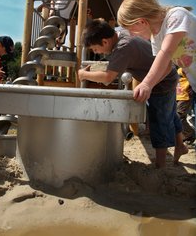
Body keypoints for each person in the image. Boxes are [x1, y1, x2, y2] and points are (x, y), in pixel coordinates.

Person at [78, 18, 188, 168]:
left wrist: (83, 75)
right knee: (170, 112)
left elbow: (108, 78)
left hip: (161, 82)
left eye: (95, 49)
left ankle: (161, 165)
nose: (96, 53)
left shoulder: (122, 48)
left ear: (105, 42)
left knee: (158, 119)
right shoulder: (121, 34)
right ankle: (180, 146)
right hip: (167, 75)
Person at [117, 0, 196, 149]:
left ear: (142, 22)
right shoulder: (156, 37)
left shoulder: (176, 16)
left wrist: (146, 83)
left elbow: (166, 53)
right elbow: (166, 67)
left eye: (131, 29)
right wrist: (150, 86)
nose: (132, 35)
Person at [176, 68, 195, 145]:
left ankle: (190, 134)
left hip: (185, 97)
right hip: (179, 96)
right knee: (177, 117)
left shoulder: (186, 69)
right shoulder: (178, 69)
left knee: (179, 116)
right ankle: (185, 135)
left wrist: (191, 87)